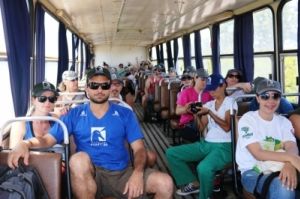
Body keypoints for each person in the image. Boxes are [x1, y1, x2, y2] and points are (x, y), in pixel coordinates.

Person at [8, 66, 173, 199]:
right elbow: (47, 140)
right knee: (78, 160)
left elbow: (138, 149)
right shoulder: (75, 114)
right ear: (87, 88)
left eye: (104, 85)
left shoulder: (125, 114)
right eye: (94, 85)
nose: (99, 89)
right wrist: (25, 143)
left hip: (121, 173)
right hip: (89, 174)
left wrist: (137, 173)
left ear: (110, 88)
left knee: (165, 184)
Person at [166, 74, 237, 199]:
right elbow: (200, 128)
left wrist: (210, 113)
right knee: (172, 153)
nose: (212, 92)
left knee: (203, 168)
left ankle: (205, 196)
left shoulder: (230, 103)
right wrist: (196, 115)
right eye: (210, 89)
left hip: (224, 146)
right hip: (206, 143)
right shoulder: (209, 104)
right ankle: (193, 183)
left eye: (215, 88)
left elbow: (227, 127)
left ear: (223, 85)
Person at [236, 79, 300, 199]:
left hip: (280, 165)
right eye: (265, 96)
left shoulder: (284, 122)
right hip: (252, 171)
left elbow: (291, 146)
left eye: (275, 96)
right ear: (258, 98)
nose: (270, 101)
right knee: (284, 186)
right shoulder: (248, 120)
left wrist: (289, 164)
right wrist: (291, 158)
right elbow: (258, 153)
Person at [9, 81, 59, 148]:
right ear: (33, 100)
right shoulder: (20, 124)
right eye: (42, 98)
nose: (47, 102)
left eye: (51, 99)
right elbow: (13, 152)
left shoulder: (57, 120)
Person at [175, 68, 213, 142]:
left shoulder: (209, 94)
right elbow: (177, 111)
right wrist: (186, 109)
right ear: (195, 78)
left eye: (206, 80)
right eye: (202, 79)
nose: (204, 82)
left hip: (206, 122)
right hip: (189, 123)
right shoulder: (186, 92)